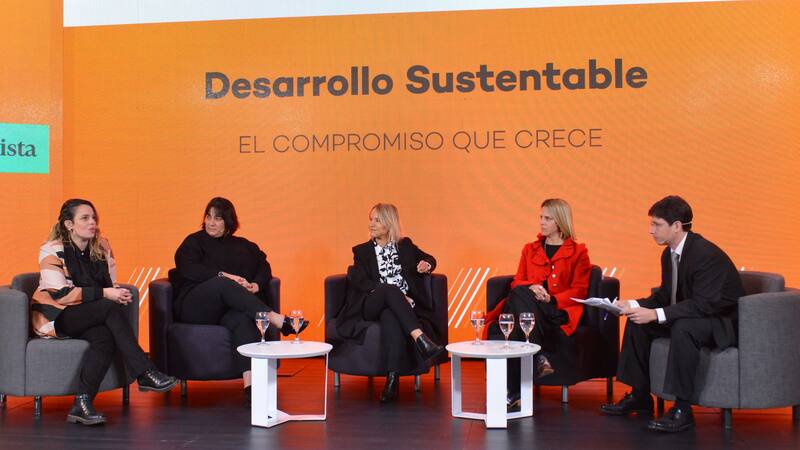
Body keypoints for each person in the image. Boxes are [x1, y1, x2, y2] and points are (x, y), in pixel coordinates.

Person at [600, 195, 744, 433]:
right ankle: (640, 395)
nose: (651, 230)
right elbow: (667, 294)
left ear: (677, 226)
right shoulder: (669, 253)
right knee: (638, 321)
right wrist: (633, 304)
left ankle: (682, 409)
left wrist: (656, 314)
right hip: (693, 313)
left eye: (656, 225)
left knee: (684, 328)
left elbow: (703, 305)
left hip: (719, 321)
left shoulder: (704, 254)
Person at [31, 199, 177, 426]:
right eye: (85, 218)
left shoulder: (102, 246)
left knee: (105, 336)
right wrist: (107, 295)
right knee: (108, 306)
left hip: (91, 313)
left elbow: (110, 283)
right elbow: (61, 294)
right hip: (58, 316)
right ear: (69, 224)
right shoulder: (51, 249)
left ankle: (82, 403)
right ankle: (145, 371)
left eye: (94, 218)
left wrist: (117, 293)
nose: (93, 223)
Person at [171, 197, 307, 404]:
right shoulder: (194, 241)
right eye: (208, 216)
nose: (211, 222)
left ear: (229, 222)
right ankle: (277, 319)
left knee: (243, 318)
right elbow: (186, 267)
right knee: (224, 283)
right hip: (196, 306)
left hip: (227, 310)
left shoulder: (245, 246)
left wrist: (256, 285)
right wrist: (225, 276)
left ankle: (251, 387)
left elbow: (264, 268)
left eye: (217, 218)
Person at [485, 198, 591, 410]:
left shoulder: (579, 252)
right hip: (528, 305)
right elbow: (518, 280)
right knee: (520, 292)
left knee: (518, 305)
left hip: (554, 310)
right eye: (541, 217)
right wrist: (533, 288)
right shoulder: (529, 249)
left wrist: (551, 298)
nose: (541, 222)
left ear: (560, 222)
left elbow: (580, 290)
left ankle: (514, 390)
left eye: (547, 218)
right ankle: (537, 359)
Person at [335, 203, 444, 403]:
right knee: (390, 290)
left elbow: (430, 258)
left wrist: (426, 264)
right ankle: (420, 337)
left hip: (395, 308)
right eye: (371, 219)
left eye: (377, 220)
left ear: (388, 223)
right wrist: (397, 295)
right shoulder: (362, 251)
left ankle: (391, 380)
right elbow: (361, 280)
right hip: (371, 304)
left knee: (391, 317)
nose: (371, 224)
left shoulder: (406, 246)